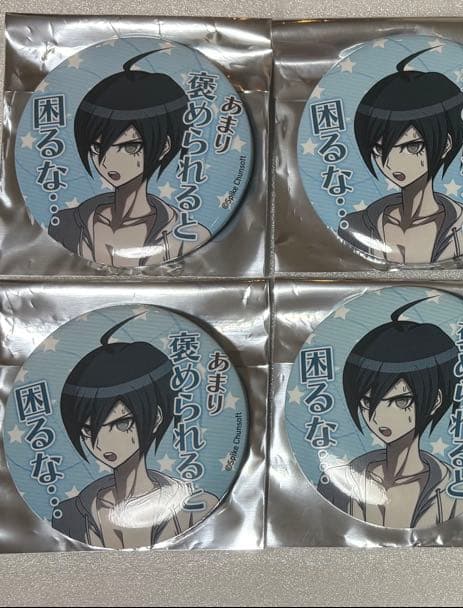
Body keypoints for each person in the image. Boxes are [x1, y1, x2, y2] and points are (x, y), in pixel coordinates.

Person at [53, 316, 218, 548]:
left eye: (121, 424)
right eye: (89, 429)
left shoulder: (195, 508)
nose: (102, 443)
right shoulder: (70, 515)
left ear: (156, 418)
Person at [318, 298, 463, 527]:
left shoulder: (461, 494)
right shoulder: (336, 483)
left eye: (401, 401)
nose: (379, 417)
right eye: (367, 401)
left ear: (435, 401)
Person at [52, 50, 211, 266]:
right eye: (98, 147)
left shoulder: (187, 236)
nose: (108, 161)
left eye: (130, 147)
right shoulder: (65, 225)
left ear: (164, 147)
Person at [340, 48, 463, 264]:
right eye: (379, 149)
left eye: (412, 147)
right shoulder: (356, 227)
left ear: (445, 145)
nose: (391, 163)